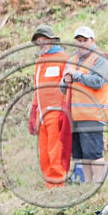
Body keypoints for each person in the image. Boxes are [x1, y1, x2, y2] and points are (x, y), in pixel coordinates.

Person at [60, 26, 108, 183]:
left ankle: (99, 184)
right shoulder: (72, 60)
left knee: (95, 154)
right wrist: (65, 81)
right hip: (75, 117)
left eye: (85, 40)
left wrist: (76, 75)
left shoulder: (100, 59)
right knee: (83, 156)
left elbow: (97, 82)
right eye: (79, 41)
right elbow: (63, 88)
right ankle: (88, 185)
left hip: (93, 115)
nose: (81, 44)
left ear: (92, 41)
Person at [28, 24, 69, 189]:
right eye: (38, 40)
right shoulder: (39, 62)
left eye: (44, 39)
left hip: (56, 112)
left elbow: (69, 87)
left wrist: (65, 112)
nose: (41, 43)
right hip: (41, 116)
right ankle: (50, 187)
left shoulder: (63, 59)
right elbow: (37, 89)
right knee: (44, 153)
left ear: (52, 40)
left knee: (56, 151)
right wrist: (33, 113)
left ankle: (59, 186)